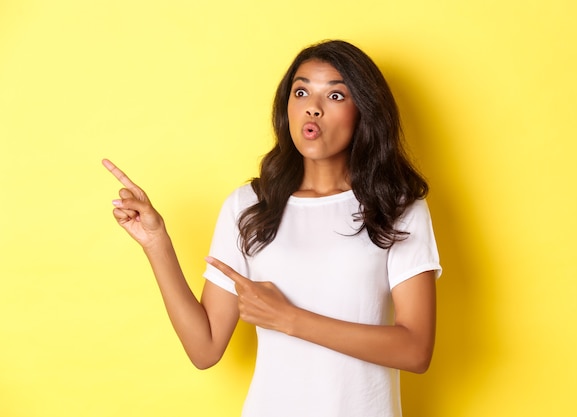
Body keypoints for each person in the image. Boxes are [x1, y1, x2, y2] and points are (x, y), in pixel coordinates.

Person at [103, 39, 441, 417]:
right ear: (288, 107)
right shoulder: (249, 205)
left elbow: (415, 350)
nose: (312, 107)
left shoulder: (396, 206)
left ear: (363, 111)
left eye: (335, 95)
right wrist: (156, 243)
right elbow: (205, 349)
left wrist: (289, 319)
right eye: (301, 91)